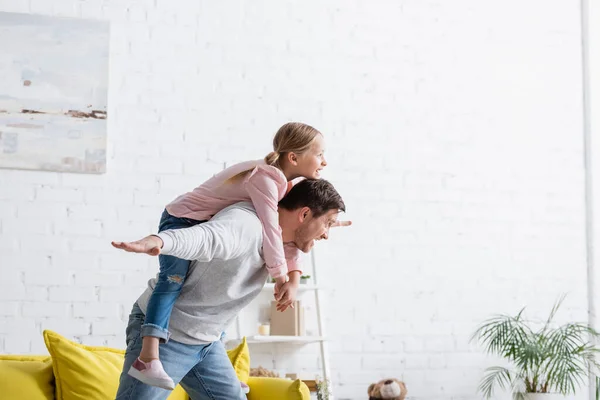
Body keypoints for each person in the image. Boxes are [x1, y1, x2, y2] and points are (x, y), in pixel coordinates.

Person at [116, 122, 334, 389]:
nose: (324, 161)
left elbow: (281, 238)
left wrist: (294, 277)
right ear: (293, 157)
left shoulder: (282, 192)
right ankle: (149, 354)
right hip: (175, 326)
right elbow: (208, 238)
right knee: (170, 279)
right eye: (320, 154)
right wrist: (161, 240)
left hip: (206, 341)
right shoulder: (250, 216)